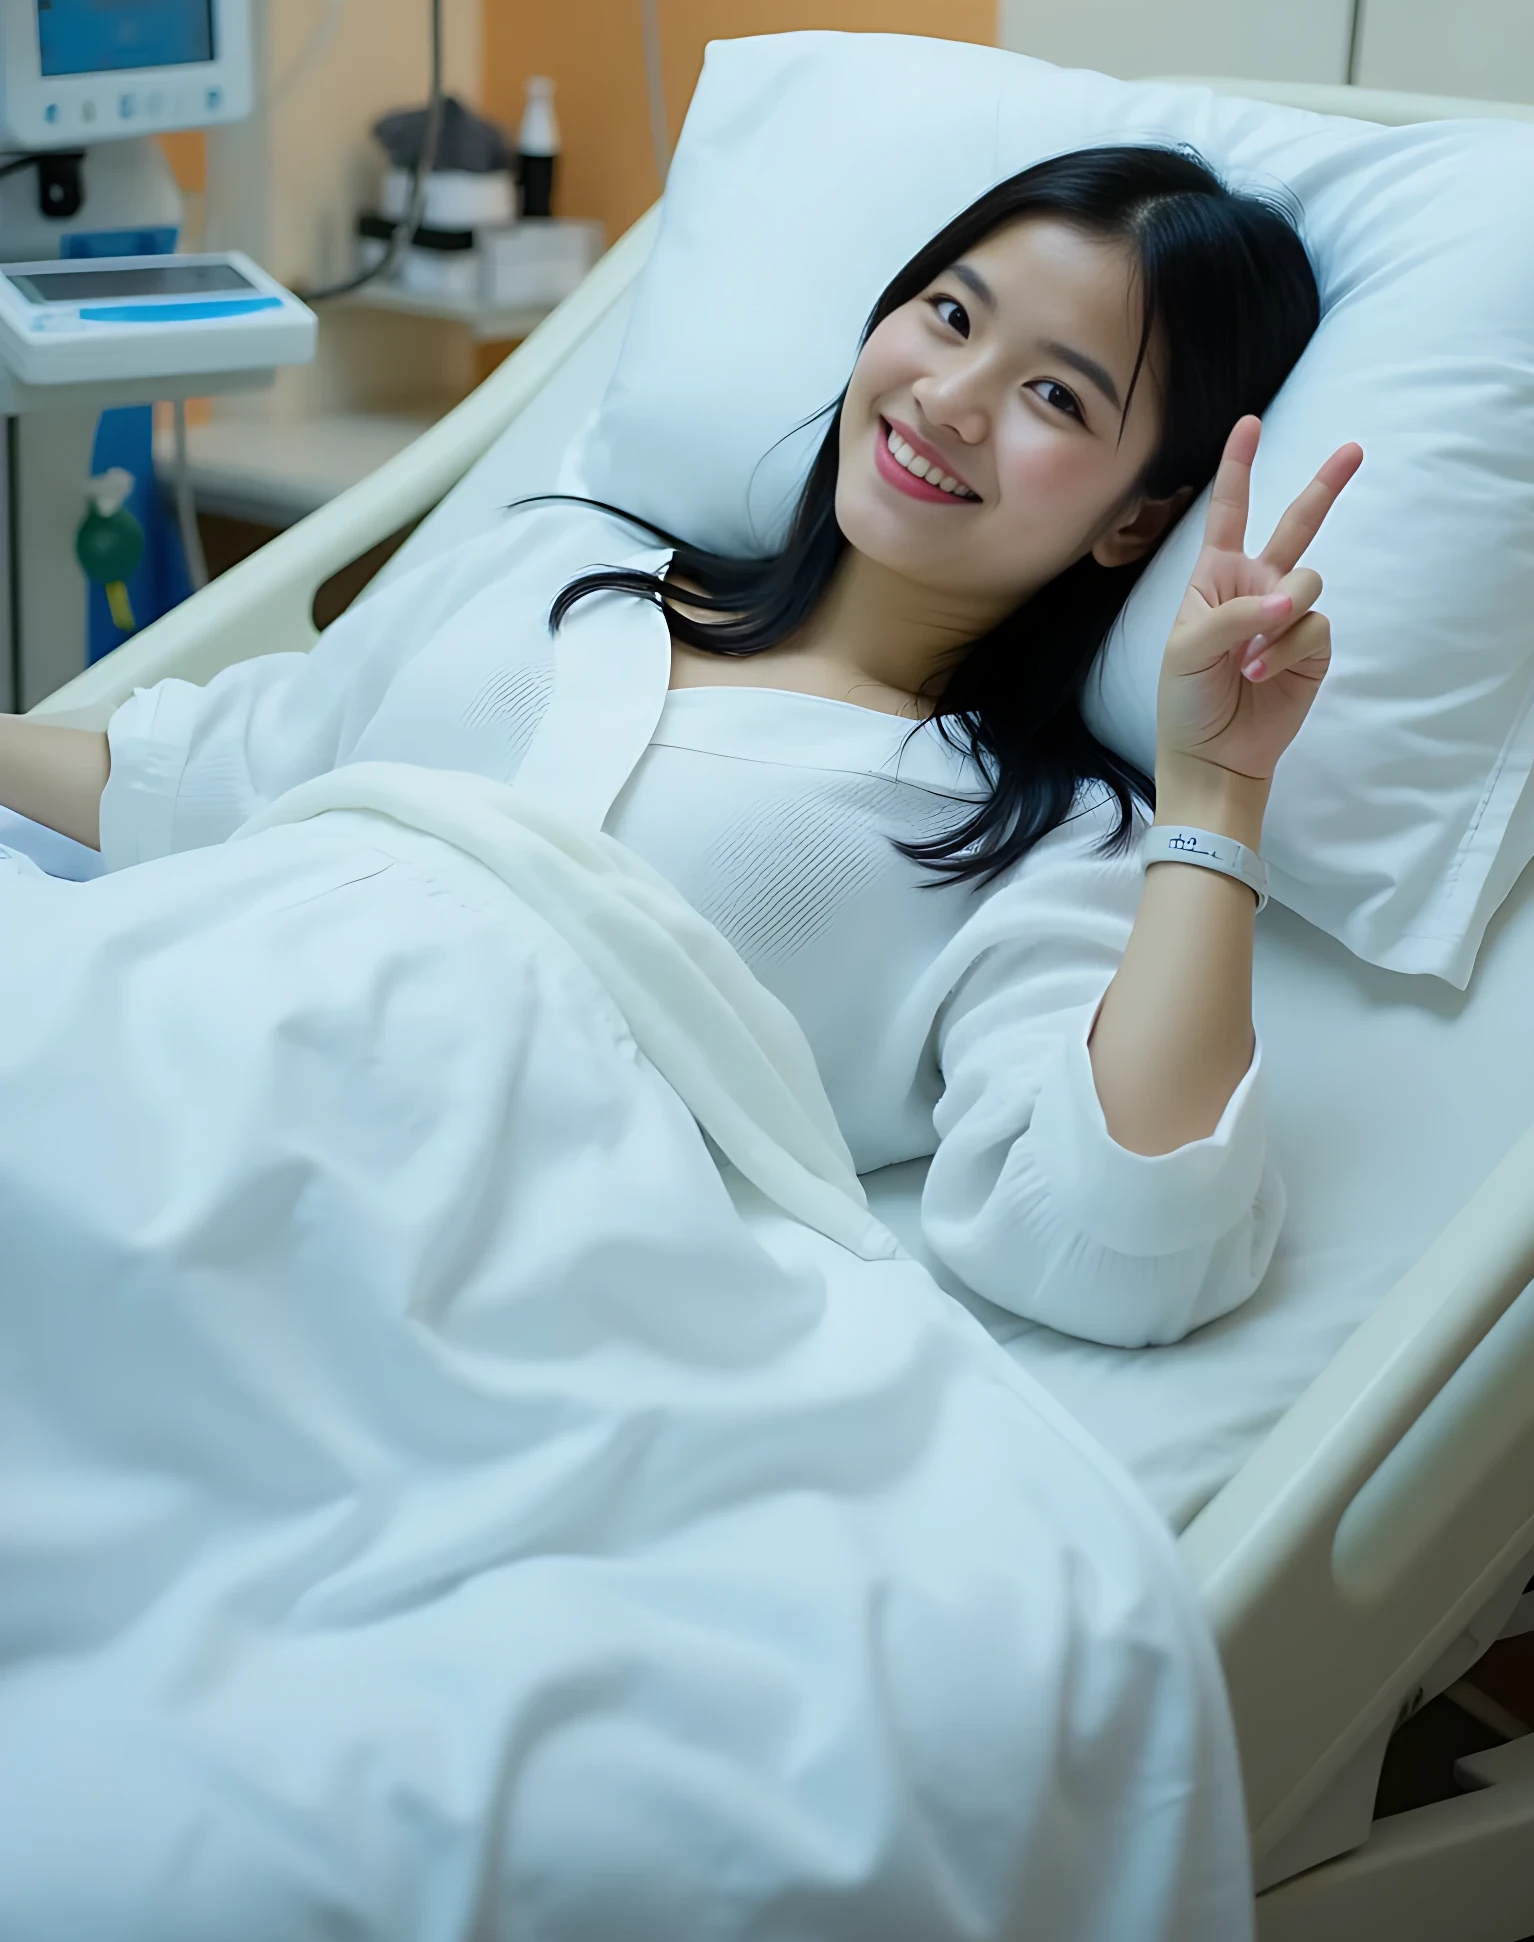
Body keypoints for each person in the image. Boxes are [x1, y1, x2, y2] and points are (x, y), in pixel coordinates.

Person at [0, 145, 1358, 1347]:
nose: (949, 397)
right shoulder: (563, 556)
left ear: (1135, 522)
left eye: (1056, 399)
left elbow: (1121, 1244)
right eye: (950, 314)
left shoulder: (1037, 840)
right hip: (162, 1021)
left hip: (410, 1240)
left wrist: (1221, 795)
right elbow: (187, 786)